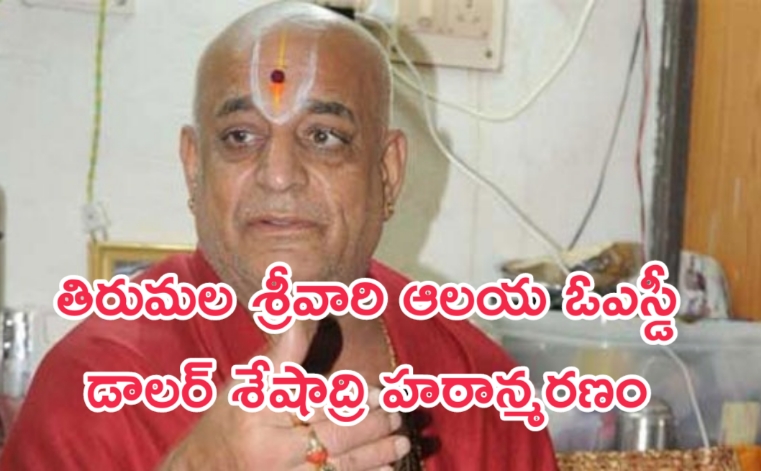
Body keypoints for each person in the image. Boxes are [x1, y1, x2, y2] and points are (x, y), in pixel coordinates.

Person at [0, 2, 558, 470]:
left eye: (324, 136)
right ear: (194, 168)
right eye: (241, 137)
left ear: (387, 174)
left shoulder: (481, 385)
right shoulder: (96, 386)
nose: (279, 174)